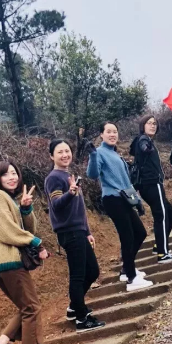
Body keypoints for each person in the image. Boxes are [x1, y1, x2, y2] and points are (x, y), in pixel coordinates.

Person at [0, 159, 57, 344]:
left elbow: (27, 229)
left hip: (4, 262)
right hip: (8, 260)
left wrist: (25, 209)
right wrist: (37, 243)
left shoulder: (9, 200)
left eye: (14, 173)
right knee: (32, 308)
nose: (12, 177)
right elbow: (7, 231)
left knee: (27, 307)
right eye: (6, 174)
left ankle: (2, 343)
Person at [45, 139, 106, 332]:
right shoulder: (54, 178)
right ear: (51, 156)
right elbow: (56, 205)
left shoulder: (68, 176)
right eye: (60, 152)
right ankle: (81, 319)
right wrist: (70, 193)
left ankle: (74, 307)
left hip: (78, 231)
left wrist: (87, 232)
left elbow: (79, 209)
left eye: (67, 151)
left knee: (92, 271)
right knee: (78, 275)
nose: (65, 155)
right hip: (69, 232)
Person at [86, 122, 153, 292]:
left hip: (124, 198)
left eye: (115, 131)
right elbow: (92, 174)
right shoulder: (100, 152)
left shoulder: (115, 154)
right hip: (112, 199)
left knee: (140, 233)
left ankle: (126, 269)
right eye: (108, 131)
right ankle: (131, 278)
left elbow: (126, 182)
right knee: (127, 236)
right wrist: (92, 155)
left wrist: (137, 201)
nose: (112, 134)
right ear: (102, 134)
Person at [130, 114, 172, 262]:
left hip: (149, 185)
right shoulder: (143, 139)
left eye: (154, 123)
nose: (152, 125)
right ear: (143, 125)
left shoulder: (145, 140)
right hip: (151, 184)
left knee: (170, 213)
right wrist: (147, 147)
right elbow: (144, 147)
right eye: (149, 123)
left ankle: (159, 244)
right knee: (161, 215)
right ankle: (163, 253)